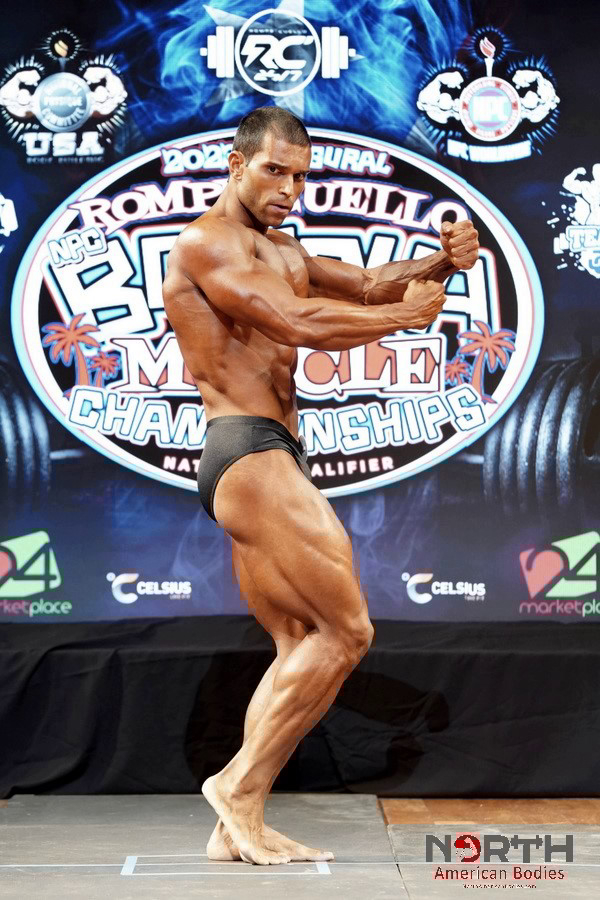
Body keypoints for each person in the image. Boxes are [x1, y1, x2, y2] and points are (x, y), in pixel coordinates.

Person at [162, 107, 479, 866]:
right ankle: (236, 787)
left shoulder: (283, 247)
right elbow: (295, 321)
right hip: (246, 449)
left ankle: (237, 823)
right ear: (236, 164)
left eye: (300, 176)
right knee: (348, 631)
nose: (288, 188)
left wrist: (440, 264)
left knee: (300, 640)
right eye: (274, 170)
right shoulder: (207, 243)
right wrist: (406, 319)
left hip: (271, 453)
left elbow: (368, 284)